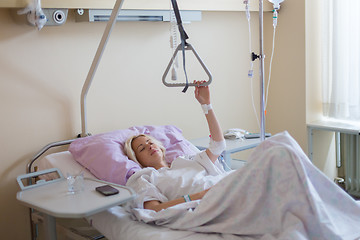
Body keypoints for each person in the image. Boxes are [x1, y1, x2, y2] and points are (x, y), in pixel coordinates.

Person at [124, 80, 229, 212]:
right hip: (213, 202)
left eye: (150, 142)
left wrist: (206, 105)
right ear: (137, 160)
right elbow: (154, 209)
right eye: (142, 148)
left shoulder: (186, 160)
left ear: (160, 148)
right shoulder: (146, 177)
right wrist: (198, 196)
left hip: (229, 186)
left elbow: (218, 145)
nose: (149, 146)